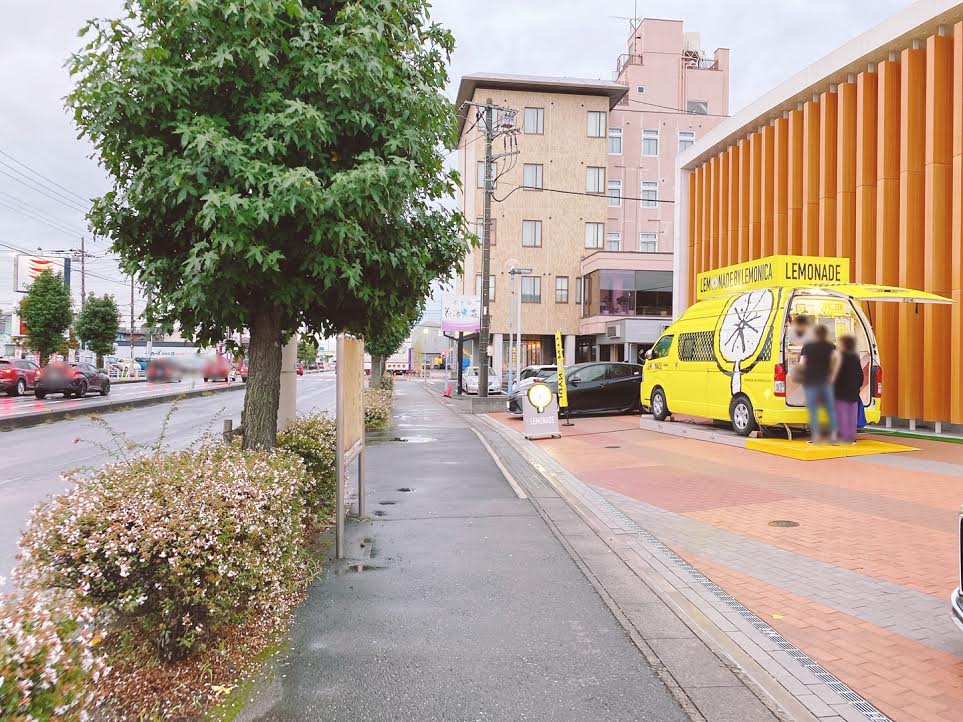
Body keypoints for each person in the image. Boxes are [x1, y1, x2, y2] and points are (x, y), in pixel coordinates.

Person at [798, 324, 838, 443]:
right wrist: (832, 377)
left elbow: (802, 364)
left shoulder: (807, 346)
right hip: (826, 381)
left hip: (811, 381)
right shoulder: (831, 346)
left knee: (813, 410)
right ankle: (834, 435)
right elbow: (836, 363)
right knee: (830, 409)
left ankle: (816, 436)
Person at [833, 335, 864, 444]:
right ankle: (851, 437)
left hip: (841, 391)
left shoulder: (838, 356)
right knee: (852, 415)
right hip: (853, 391)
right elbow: (860, 374)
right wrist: (858, 386)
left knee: (841, 414)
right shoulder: (855, 357)